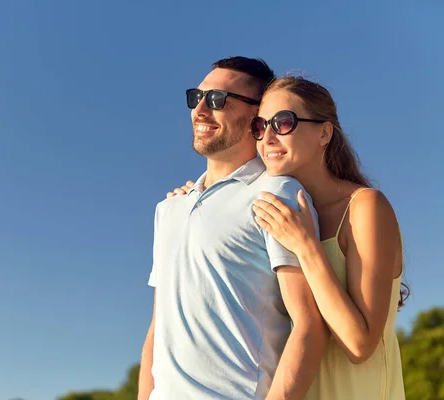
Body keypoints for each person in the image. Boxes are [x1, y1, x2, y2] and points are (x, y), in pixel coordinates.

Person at [170, 76, 407, 399]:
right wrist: (198, 198)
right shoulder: (279, 213)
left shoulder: (364, 207)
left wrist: (305, 245)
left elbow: (359, 345)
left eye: (283, 123)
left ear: (324, 133)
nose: (267, 137)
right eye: (259, 126)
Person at [138, 58, 329, 400]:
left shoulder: (276, 192)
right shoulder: (168, 209)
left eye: (217, 100)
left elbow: (310, 326)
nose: (199, 110)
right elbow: (158, 328)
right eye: (196, 97)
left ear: (257, 116)